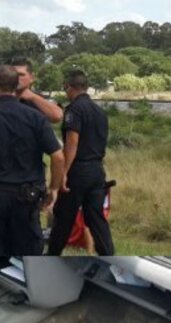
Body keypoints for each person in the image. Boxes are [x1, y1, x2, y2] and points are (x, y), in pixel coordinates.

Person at [0, 65, 65, 256]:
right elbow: (58, 156)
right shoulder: (35, 117)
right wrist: (54, 189)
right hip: (27, 197)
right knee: (28, 249)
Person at [47, 70, 115, 256]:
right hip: (97, 171)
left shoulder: (74, 110)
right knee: (96, 219)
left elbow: (72, 143)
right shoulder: (100, 112)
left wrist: (64, 173)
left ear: (69, 87)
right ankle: (108, 255)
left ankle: (52, 255)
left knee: (63, 217)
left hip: (78, 170)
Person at [10, 57, 62, 123]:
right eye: (14, 74)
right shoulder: (1, 97)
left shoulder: (39, 99)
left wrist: (32, 97)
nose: (17, 78)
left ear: (32, 77)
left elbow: (57, 116)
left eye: (21, 75)